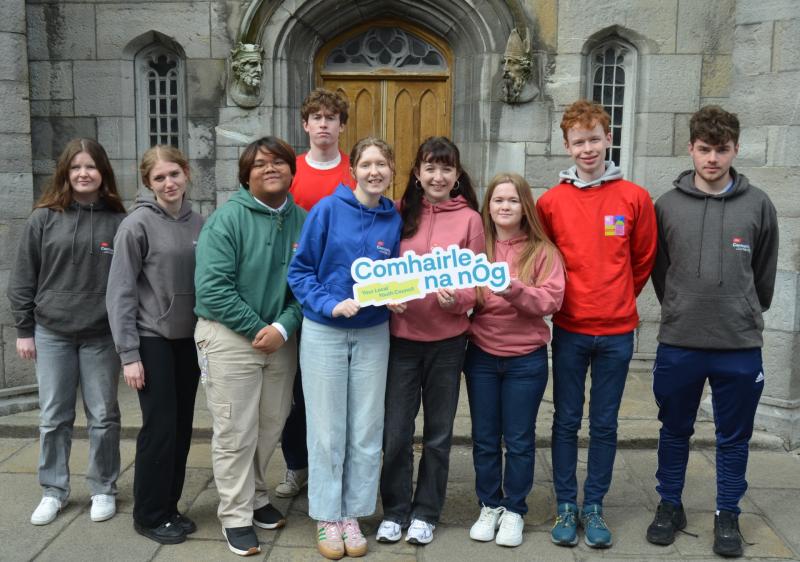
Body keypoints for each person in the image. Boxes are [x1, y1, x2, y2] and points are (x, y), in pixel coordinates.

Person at [646, 106, 778, 558]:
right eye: (704, 149)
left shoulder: (759, 205)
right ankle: (670, 504)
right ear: (691, 148)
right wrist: (683, 305)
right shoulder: (666, 206)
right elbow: (661, 271)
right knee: (673, 429)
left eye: (722, 150)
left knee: (733, 436)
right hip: (680, 341)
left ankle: (728, 513)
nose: (712, 159)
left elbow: (764, 273)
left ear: (736, 149)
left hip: (738, 344)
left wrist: (742, 308)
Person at [536, 100, 657, 549]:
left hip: (617, 331)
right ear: (566, 146)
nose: (587, 149)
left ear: (609, 138)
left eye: (594, 139)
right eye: (578, 141)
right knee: (566, 419)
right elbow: (545, 259)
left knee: (605, 423)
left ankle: (595, 506)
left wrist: (617, 295)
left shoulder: (634, 197)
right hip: (570, 328)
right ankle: (567, 504)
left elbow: (643, 259)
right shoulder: (551, 202)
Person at [287, 137, 402, 560]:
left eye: (382, 164)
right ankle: (326, 514)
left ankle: (352, 513)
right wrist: (329, 303)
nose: (374, 171)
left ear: (392, 171)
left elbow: (395, 273)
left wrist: (396, 295)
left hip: (373, 332)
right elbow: (300, 272)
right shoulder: (327, 210)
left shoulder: (393, 219)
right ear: (353, 170)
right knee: (326, 428)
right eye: (367, 164)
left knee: (367, 427)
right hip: (325, 331)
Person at [193, 136, 306, 556]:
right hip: (229, 335)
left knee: (271, 423)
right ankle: (235, 514)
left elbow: (308, 284)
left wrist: (284, 326)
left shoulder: (303, 220)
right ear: (246, 175)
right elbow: (213, 289)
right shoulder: (227, 220)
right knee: (235, 430)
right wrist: (260, 328)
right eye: (259, 164)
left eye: (278, 162)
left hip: (280, 338)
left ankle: (256, 496)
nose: (270, 168)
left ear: (292, 171)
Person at [7, 138, 126, 526]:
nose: (83, 173)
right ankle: (53, 490)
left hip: (101, 335)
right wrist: (24, 329)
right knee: (54, 416)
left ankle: (103, 488)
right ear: (65, 172)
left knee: (103, 416)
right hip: (52, 332)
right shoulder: (43, 218)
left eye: (90, 166)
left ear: (102, 172)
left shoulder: (118, 220)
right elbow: (23, 277)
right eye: (76, 167)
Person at [377, 136, 484, 546]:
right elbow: (380, 269)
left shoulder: (470, 220)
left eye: (446, 168)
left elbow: (477, 284)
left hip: (448, 344)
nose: (438, 176)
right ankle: (395, 510)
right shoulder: (399, 212)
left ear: (456, 175)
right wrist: (387, 297)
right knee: (396, 433)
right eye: (430, 168)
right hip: (401, 342)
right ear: (417, 173)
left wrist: (459, 300)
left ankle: (426, 512)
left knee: (438, 434)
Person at [106, 145, 205, 544]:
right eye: (159, 178)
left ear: (186, 173)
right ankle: (148, 514)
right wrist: (128, 355)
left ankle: (169, 507)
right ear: (148, 183)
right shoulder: (136, 225)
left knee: (181, 429)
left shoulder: (200, 223)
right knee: (160, 429)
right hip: (152, 340)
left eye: (174, 174)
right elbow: (120, 293)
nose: (168, 183)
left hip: (188, 342)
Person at [465, 173, 565, 548]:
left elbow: (551, 300)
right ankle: (489, 504)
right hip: (482, 356)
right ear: (488, 206)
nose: (505, 206)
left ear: (525, 207)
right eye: (498, 200)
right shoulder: (477, 248)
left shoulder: (543, 251)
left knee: (520, 440)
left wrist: (514, 289)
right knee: (485, 438)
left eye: (513, 200)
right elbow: (465, 294)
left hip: (525, 360)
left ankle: (514, 509)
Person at [277, 88, 354, 500]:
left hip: (345, 299)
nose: (324, 124)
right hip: (298, 292)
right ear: (305, 125)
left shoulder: (355, 171)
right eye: (317, 117)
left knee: (341, 392)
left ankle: (342, 466)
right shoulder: (289, 171)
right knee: (297, 391)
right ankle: (297, 466)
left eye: (331, 117)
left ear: (342, 126)